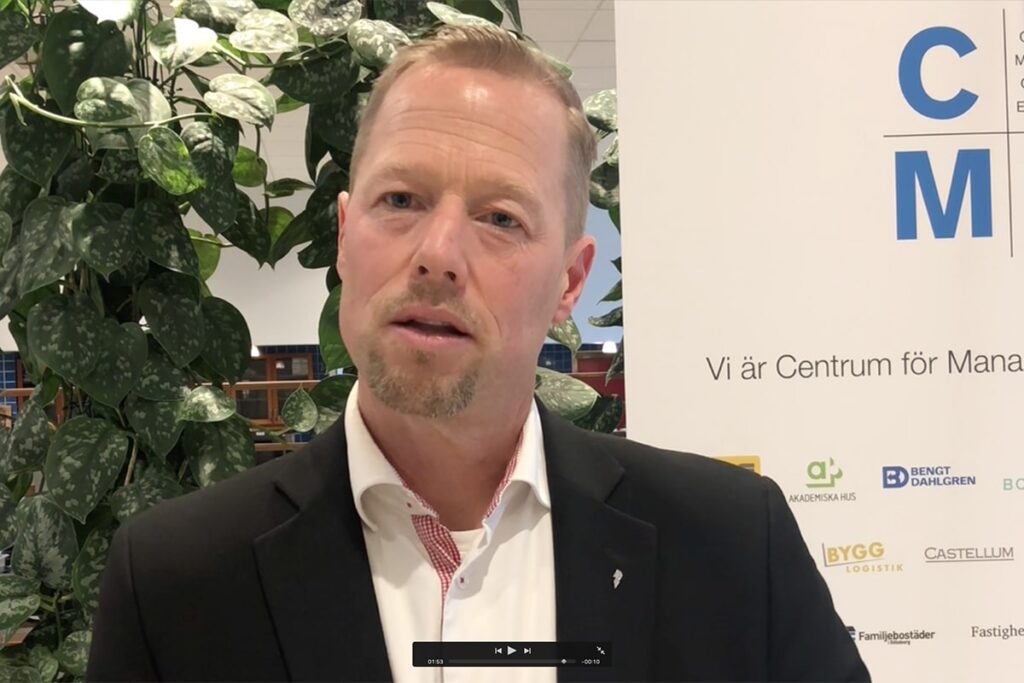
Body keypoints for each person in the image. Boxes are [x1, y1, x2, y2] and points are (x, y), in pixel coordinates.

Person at [86, 26, 870, 683]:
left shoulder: (734, 550)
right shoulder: (176, 583)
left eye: (500, 218)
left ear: (569, 283)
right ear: (345, 237)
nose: (439, 253)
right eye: (401, 200)